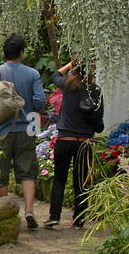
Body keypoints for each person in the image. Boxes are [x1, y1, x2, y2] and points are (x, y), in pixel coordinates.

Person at [0, 33, 47, 229]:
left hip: (0, 131)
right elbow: (40, 101)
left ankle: (8, 214)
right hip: (26, 129)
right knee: (27, 171)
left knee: (0, 171)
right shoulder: (32, 74)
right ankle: (30, 210)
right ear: (22, 53)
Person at [44, 60, 104, 230]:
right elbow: (99, 122)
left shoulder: (68, 86)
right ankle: (79, 220)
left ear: (74, 70)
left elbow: (55, 75)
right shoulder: (95, 90)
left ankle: (54, 216)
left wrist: (70, 64)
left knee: (59, 179)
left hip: (64, 139)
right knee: (81, 181)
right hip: (84, 142)